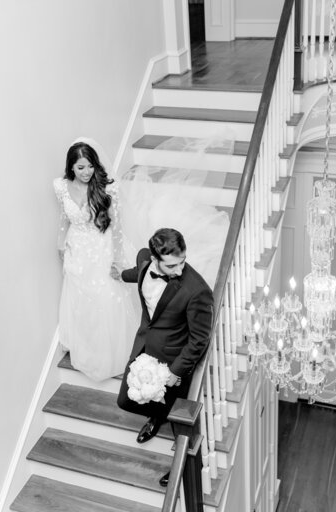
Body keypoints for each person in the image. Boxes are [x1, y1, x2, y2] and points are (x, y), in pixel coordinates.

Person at [114, 228, 213, 486]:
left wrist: (176, 372)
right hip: (145, 348)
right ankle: (157, 415)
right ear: (156, 258)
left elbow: (200, 339)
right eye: (172, 265)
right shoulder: (145, 260)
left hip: (173, 362)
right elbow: (140, 274)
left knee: (179, 419)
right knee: (125, 400)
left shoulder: (197, 290)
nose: (180, 270)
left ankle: (184, 465)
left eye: (182, 262)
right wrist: (121, 274)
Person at [53, 140, 138, 382]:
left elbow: (117, 226)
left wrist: (116, 258)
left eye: (90, 166)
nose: (87, 172)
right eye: (80, 167)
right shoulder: (61, 187)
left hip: (101, 246)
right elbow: (64, 218)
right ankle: (86, 346)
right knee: (81, 300)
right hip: (76, 248)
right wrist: (60, 243)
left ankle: (109, 353)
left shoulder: (107, 188)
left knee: (104, 298)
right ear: (71, 167)